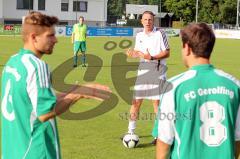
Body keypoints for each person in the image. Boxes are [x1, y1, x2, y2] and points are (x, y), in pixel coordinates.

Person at [1, 11, 111, 159]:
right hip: (36, 151)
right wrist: (79, 93)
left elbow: (33, 101)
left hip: (13, 151)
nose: (55, 40)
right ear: (34, 37)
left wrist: (74, 90)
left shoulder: (12, 62)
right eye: (50, 36)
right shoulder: (37, 66)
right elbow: (46, 112)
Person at [155, 23, 240, 159]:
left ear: (187, 48)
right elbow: (237, 141)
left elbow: (164, 142)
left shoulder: (173, 87)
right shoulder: (235, 85)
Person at [125, 10, 170, 144]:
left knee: (156, 104)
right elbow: (139, 52)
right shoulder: (139, 35)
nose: (148, 22)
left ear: (153, 21)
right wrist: (133, 54)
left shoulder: (160, 33)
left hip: (158, 72)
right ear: (141, 21)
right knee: (136, 102)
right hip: (143, 72)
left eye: (150, 19)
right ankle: (130, 132)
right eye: (145, 19)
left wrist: (152, 57)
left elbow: (167, 53)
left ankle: (158, 136)